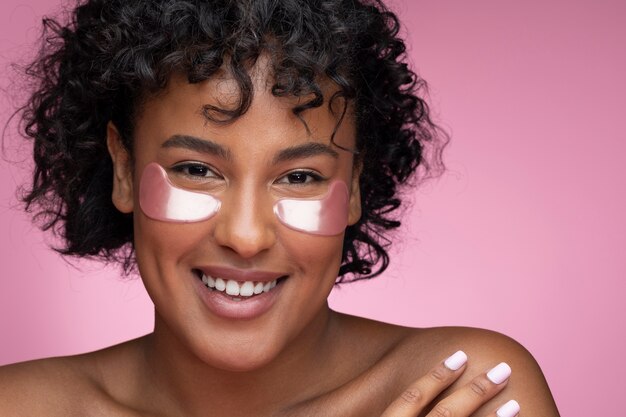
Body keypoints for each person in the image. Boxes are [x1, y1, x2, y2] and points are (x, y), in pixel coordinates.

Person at [0, 0, 560, 415]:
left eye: (299, 177)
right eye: (197, 170)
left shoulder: (462, 393)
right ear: (123, 169)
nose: (246, 236)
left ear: (356, 187)